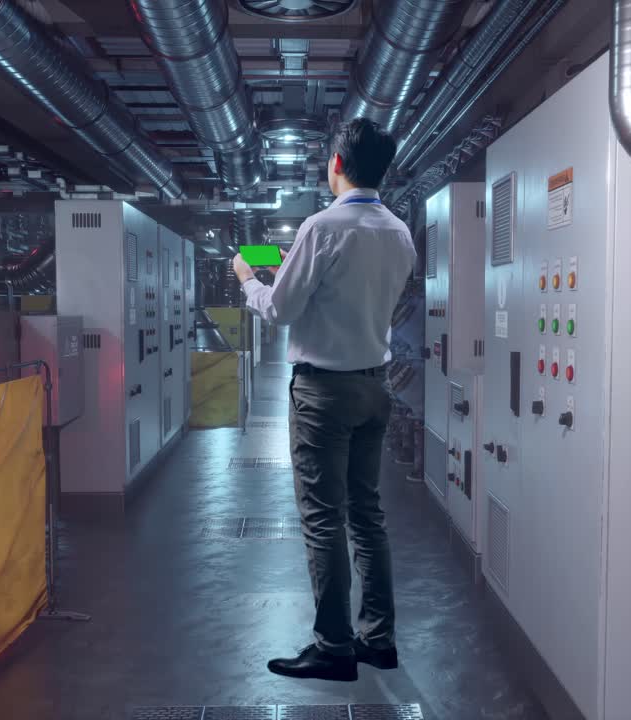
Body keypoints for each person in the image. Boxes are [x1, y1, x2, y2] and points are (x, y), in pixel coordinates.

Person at [232, 118, 417, 682]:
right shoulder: (400, 233)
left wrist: (247, 277)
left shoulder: (322, 228)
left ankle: (334, 645)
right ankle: (378, 640)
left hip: (323, 394)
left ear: (337, 163)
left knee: (322, 521)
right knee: (367, 515)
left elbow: (279, 309)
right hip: (373, 386)